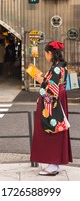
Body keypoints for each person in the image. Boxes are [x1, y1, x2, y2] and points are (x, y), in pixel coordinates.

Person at [30, 41, 72, 176]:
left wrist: (41, 80)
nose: (46, 56)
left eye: (46, 54)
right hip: (58, 99)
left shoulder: (55, 68)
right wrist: (43, 80)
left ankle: (53, 164)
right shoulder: (60, 66)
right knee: (55, 130)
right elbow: (55, 84)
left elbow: (52, 88)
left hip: (53, 102)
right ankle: (54, 163)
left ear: (51, 53)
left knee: (51, 129)